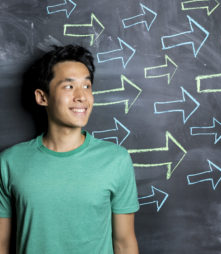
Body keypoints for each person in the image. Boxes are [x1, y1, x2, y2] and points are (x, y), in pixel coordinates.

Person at [0, 45, 140, 254]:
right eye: (69, 87)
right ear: (42, 97)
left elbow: (124, 243)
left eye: (87, 86)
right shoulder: (10, 162)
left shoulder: (116, 160)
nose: (82, 96)